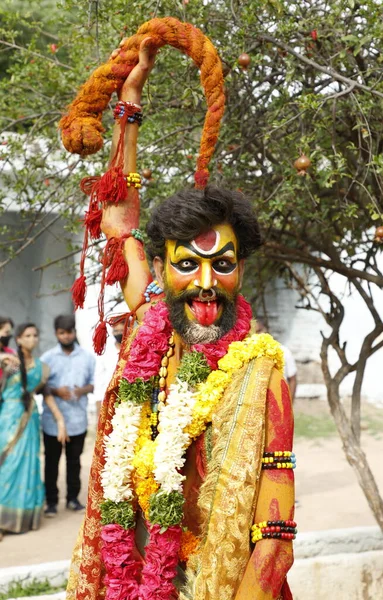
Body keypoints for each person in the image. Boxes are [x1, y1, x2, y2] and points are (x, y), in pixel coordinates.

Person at [64, 23, 295, 600]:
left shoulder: (261, 371)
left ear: (242, 266)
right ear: (164, 270)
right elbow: (118, 218)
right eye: (187, 265)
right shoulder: (151, 326)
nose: (206, 283)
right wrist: (131, 98)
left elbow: (276, 535)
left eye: (223, 264)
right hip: (131, 579)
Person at [0, 323, 67, 540]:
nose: (32, 339)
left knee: (27, 465)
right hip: (8, 416)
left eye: (35, 335)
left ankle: (21, 519)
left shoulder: (40, 366)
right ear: (18, 339)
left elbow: (45, 393)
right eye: (27, 335)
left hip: (29, 418)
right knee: (7, 465)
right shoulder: (9, 362)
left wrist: (59, 420)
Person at [41, 315, 95, 516]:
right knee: (51, 462)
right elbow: (40, 385)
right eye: (62, 333)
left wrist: (81, 391)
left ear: (74, 332)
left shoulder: (87, 357)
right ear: (56, 334)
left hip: (78, 419)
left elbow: (93, 383)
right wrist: (56, 391)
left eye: (69, 332)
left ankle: (73, 499)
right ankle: (51, 502)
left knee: (74, 461)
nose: (66, 336)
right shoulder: (47, 358)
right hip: (52, 421)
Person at [256, 319, 297, 401]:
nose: (258, 335)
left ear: (267, 330)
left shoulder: (283, 351)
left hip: (279, 400)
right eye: (255, 332)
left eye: (260, 330)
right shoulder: (249, 354)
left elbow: (292, 379)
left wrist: (290, 404)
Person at [93, 321, 124, 418]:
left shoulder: (134, 350)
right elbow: (99, 380)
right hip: (109, 401)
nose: (118, 333)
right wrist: (99, 406)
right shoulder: (106, 352)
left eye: (121, 330)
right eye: (116, 331)